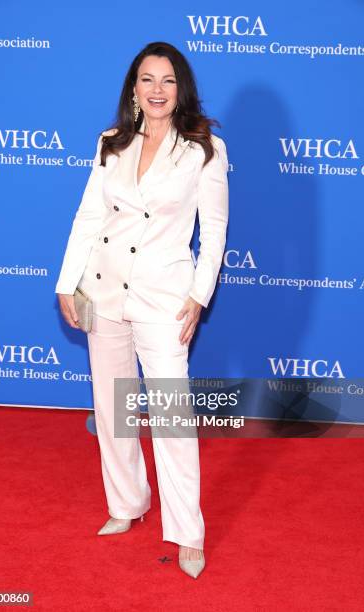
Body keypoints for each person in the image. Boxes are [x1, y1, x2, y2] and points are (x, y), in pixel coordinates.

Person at [55, 41, 229, 579]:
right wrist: (67, 282)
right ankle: (126, 503)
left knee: (173, 418)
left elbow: (215, 230)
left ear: (182, 89)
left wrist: (198, 297)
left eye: (168, 80)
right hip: (105, 293)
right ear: (134, 87)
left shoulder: (204, 148)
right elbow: (89, 216)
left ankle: (187, 532)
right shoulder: (111, 142)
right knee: (114, 410)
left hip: (164, 301)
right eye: (148, 79)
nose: (157, 90)